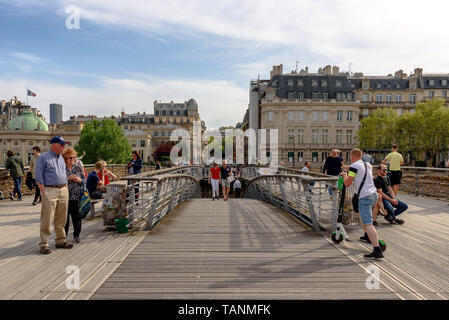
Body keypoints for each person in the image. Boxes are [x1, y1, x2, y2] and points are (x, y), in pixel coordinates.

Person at [341, 148, 384, 259]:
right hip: (373, 194)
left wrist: (344, 174)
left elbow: (347, 183)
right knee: (362, 217)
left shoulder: (354, 166)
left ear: (352, 157)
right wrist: (348, 168)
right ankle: (368, 236)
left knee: (368, 223)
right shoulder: (367, 164)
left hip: (365, 197)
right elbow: (358, 170)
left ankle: (377, 250)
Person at [35, 136, 73, 254]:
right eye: (61, 145)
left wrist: (65, 185)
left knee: (62, 217)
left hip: (63, 189)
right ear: (54, 144)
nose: (63, 147)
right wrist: (43, 191)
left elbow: (63, 173)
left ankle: (60, 240)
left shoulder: (61, 158)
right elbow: (39, 176)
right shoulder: (43, 158)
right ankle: (44, 243)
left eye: (64, 145)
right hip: (49, 190)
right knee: (47, 217)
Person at [62, 148, 85, 243]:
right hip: (65, 196)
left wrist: (79, 180)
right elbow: (57, 180)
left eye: (74, 158)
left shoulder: (78, 167)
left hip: (76, 195)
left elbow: (84, 179)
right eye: (70, 158)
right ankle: (64, 236)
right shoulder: (62, 167)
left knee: (77, 217)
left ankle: (76, 235)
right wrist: (68, 178)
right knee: (65, 218)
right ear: (65, 158)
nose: (72, 160)